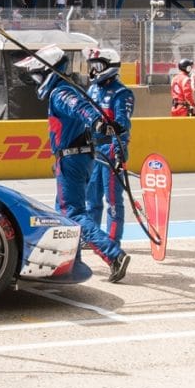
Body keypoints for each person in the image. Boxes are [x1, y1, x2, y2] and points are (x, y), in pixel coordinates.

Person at [14, 45, 130, 282]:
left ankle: (113, 254)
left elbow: (81, 108)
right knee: (64, 214)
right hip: (72, 157)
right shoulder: (63, 89)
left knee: (72, 213)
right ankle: (72, 262)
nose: (35, 80)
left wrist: (99, 123)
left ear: (48, 71)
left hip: (74, 158)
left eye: (37, 74)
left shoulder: (61, 92)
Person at [85, 48, 135, 248]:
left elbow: (123, 126)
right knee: (91, 198)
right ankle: (92, 237)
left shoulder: (122, 93)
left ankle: (113, 240)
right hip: (92, 150)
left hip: (112, 150)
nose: (94, 71)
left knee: (113, 199)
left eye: (98, 66)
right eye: (92, 66)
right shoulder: (92, 90)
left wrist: (118, 152)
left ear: (110, 66)